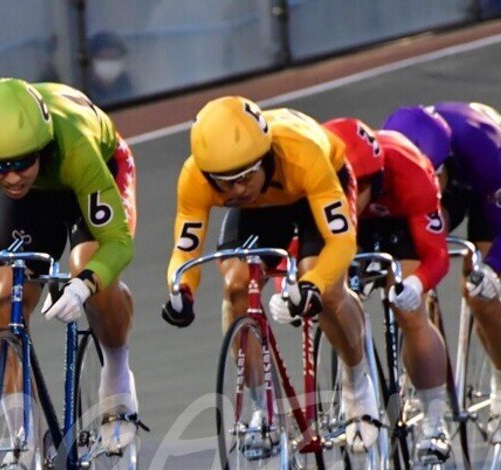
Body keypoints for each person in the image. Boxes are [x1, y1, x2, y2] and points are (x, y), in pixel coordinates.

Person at [0, 78, 142, 452]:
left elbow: (118, 243)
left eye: (23, 163)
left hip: (93, 173)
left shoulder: (74, 145)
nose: (11, 177)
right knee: (4, 299)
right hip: (33, 201)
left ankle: (117, 376)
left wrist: (84, 284)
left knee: (87, 266)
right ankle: (24, 436)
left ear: (42, 146)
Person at [161, 97, 380, 451]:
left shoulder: (301, 154)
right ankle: (263, 408)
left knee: (325, 292)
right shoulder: (196, 178)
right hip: (262, 211)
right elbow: (186, 250)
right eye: (225, 183)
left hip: (314, 188)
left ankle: (357, 384)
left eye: (246, 177)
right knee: (234, 285)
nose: (237, 190)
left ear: (265, 158)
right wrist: (182, 289)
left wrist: (313, 284)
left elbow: (342, 243)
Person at [383, 102, 501, 442]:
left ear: (444, 168)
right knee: (409, 284)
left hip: (489, 173)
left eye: (431, 176)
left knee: (478, 294)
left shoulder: (482, 156)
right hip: (428, 190)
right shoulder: (389, 157)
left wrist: (490, 271)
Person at [323, 117, 452, 458]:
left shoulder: (411, 173)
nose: (350, 194)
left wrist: (417, 283)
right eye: (341, 184)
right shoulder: (318, 175)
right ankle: (356, 388)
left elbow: (437, 255)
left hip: (400, 222)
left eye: (357, 186)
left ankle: (435, 422)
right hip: (346, 228)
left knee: (410, 310)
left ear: (376, 179)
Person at [85, 32, 133, 106]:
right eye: (103, 57)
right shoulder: (82, 92)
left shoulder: (128, 88)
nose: (108, 62)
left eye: (113, 57)